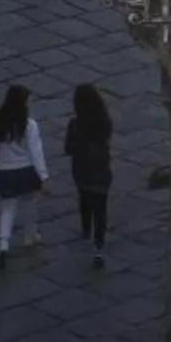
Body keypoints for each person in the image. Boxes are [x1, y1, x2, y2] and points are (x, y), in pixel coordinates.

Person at [0, 84, 48, 269]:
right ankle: (30, 235)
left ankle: (3, 242)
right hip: (25, 170)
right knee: (29, 203)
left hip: (5, 171)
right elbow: (36, 152)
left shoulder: (0, 121)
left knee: (7, 209)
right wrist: (43, 176)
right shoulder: (29, 125)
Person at [64, 84, 114, 269]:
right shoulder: (105, 123)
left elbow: (68, 148)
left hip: (82, 172)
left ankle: (86, 229)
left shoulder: (75, 125)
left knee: (84, 200)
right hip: (101, 172)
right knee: (101, 209)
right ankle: (99, 247)